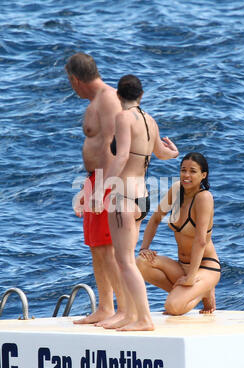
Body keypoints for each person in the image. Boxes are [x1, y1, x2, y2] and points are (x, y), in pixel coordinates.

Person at [93, 74, 179, 331]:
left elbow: (121, 157)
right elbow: (162, 153)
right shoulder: (149, 120)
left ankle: (144, 318)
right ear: (141, 95)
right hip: (142, 198)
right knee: (126, 258)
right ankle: (129, 314)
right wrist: (174, 152)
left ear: (119, 96)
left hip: (125, 197)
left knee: (125, 261)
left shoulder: (123, 117)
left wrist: (100, 189)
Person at [65, 52, 126, 326]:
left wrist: (104, 188)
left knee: (108, 248)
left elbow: (117, 147)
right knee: (96, 246)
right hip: (95, 180)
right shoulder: (96, 101)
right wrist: (88, 187)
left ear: (76, 80)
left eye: (70, 82)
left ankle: (123, 309)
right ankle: (104, 307)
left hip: (106, 182)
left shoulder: (109, 100)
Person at [136, 152, 221, 316]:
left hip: (205, 267)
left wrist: (191, 277)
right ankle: (192, 292)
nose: (186, 175)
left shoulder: (204, 198)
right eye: (183, 170)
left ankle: (204, 290)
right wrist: (144, 248)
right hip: (181, 266)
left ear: (203, 175)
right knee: (141, 262)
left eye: (193, 171)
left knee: (173, 307)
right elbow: (155, 219)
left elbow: (201, 241)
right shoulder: (176, 190)